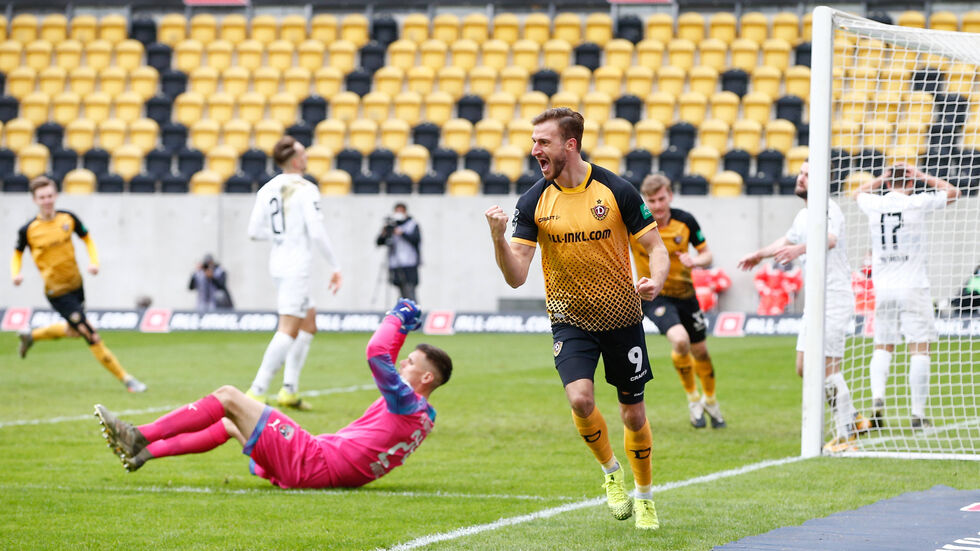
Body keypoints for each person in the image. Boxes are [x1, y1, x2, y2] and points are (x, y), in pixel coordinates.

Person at [485, 108, 670, 530]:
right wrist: (498, 238)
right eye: (533, 142)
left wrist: (655, 281)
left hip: (623, 317)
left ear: (570, 144)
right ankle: (611, 474)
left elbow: (656, 249)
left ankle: (645, 497)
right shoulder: (533, 200)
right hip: (570, 320)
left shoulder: (616, 189)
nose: (535, 151)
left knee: (633, 415)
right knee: (580, 399)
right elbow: (516, 276)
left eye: (543, 142)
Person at [95, 299, 453, 487]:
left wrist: (397, 316)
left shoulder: (407, 402)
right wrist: (402, 332)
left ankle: (138, 435)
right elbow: (389, 358)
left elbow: (376, 353)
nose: (401, 365)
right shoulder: (422, 414)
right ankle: (145, 454)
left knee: (229, 397)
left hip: (314, 462)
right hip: (319, 467)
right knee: (233, 424)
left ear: (423, 377)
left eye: (409, 364)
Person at [737, 161, 869, 451]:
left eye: (808, 174)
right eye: (801, 172)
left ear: (821, 181)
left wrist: (798, 249)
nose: (801, 177)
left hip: (834, 297)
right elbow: (786, 240)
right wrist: (759, 255)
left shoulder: (829, 209)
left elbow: (831, 239)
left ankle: (848, 436)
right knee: (804, 367)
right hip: (816, 301)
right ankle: (854, 417)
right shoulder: (803, 215)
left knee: (825, 368)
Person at [10, 176, 146, 392]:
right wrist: (15, 274)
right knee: (89, 332)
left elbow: (87, 239)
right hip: (56, 291)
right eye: (42, 197)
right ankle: (127, 380)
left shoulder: (68, 218)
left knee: (74, 331)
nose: (47, 200)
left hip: (76, 285)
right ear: (35, 199)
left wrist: (94, 262)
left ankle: (31, 335)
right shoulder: (28, 230)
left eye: (49, 195)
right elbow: (17, 254)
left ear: (55, 195)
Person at [851, 162, 960, 429]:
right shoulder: (917, 203)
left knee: (883, 345)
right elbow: (953, 192)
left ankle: (877, 400)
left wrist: (881, 179)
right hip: (913, 286)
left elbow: (856, 192)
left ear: (888, 184)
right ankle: (918, 414)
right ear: (911, 183)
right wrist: (922, 175)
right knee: (920, 347)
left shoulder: (874, 205)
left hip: (883, 286)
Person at [246, 136, 343, 411]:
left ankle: (289, 389)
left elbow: (253, 232)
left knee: (308, 322)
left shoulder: (266, 188)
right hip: (296, 265)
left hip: (278, 262)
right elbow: (316, 231)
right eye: (303, 153)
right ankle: (257, 390)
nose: (307, 156)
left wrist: (280, 235)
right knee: (288, 329)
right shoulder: (306, 188)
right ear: (296, 160)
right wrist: (335, 265)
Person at [629, 174, 726, 429]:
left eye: (662, 199)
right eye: (652, 201)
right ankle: (693, 399)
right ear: (645, 202)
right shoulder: (636, 224)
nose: (658, 206)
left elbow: (707, 254)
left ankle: (711, 402)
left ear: (670, 196)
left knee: (701, 351)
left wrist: (696, 261)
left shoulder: (686, 221)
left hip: (686, 295)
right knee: (680, 340)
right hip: (655, 295)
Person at [376, 203, 421, 302]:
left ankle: (413, 312)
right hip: (395, 263)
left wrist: (401, 232)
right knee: (400, 292)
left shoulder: (412, 224)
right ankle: (402, 313)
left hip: (409, 263)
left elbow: (416, 239)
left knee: (410, 291)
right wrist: (385, 231)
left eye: (401, 211)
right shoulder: (391, 225)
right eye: (397, 211)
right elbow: (379, 242)